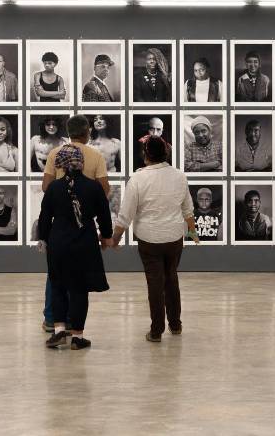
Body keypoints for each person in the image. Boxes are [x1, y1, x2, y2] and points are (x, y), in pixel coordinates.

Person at [111, 136, 197, 343]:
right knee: (171, 278)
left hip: (149, 239)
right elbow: (188, 209)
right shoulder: (179, 176)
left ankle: (156, 330)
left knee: (155, 283)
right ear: (165, 153)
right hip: (174, 237)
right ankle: (175, 325)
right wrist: (193, 233)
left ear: (145, 155)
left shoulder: (138, 179)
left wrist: (115, 239)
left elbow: (126, 214)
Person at [40, 115, 110, 333]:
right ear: (87, 132)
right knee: (79, 278)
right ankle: (74, 324)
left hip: (60, 224)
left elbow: (45, 187)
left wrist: (62, 197)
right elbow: (104, 189)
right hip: (84, 227)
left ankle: (53, 320)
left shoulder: (54, 153)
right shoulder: (96, 154)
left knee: (56, 275)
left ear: (69, 132)